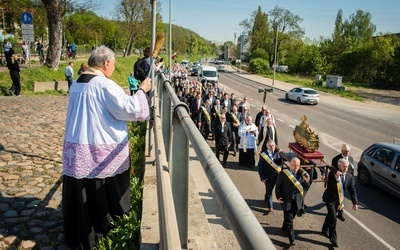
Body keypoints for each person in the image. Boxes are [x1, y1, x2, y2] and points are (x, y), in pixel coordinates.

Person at [62, 45, 152, 249]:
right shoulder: (104, 85)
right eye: (113, 64)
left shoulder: (77, 83)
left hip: (77, 145)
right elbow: (129, 109)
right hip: (99, 148)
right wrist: (142, 91)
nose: (113, 68)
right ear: (106, 64)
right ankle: (105, 230)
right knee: (100, 191)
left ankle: (79, 233)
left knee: (83, 192)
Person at [322, 158, 358, 248]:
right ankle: (333, 239)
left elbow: (352, 190)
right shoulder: (332, 174)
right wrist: (337, 179)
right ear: (339, 166)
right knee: (333, 218)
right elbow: (329, 186)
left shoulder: (349, 176)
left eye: (347, 166)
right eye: (344, 166)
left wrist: (355, 203)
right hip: (330, 199)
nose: (346, 168)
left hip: (339, 201)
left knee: (330, 215)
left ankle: (324, 229)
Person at [275, 157, 310, 245]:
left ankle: (284, 228)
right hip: (287, 201)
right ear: (290, 164)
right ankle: (291, 239)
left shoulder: (301, 175)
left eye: (298, 165)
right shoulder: (283, 174)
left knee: (290, 218)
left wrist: (307, 181)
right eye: (294, 165)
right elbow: (278, 186)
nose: (296, 167)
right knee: (290, 221)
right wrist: (278, 196)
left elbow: (305, 187)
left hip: (297, 202)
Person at [258, 140, 282, 212]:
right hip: (268, 177)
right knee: (269, 191)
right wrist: (262, 177)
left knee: (274, 190)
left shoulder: (278, 153)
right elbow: (260, 167)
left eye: (273, 145)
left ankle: (266, 200)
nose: (272, 147)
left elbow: (282, 163)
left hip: (277, 176)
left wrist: (281, 152)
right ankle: (270, 207)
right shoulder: (264, 155)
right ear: (267, 146)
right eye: (270, 146)